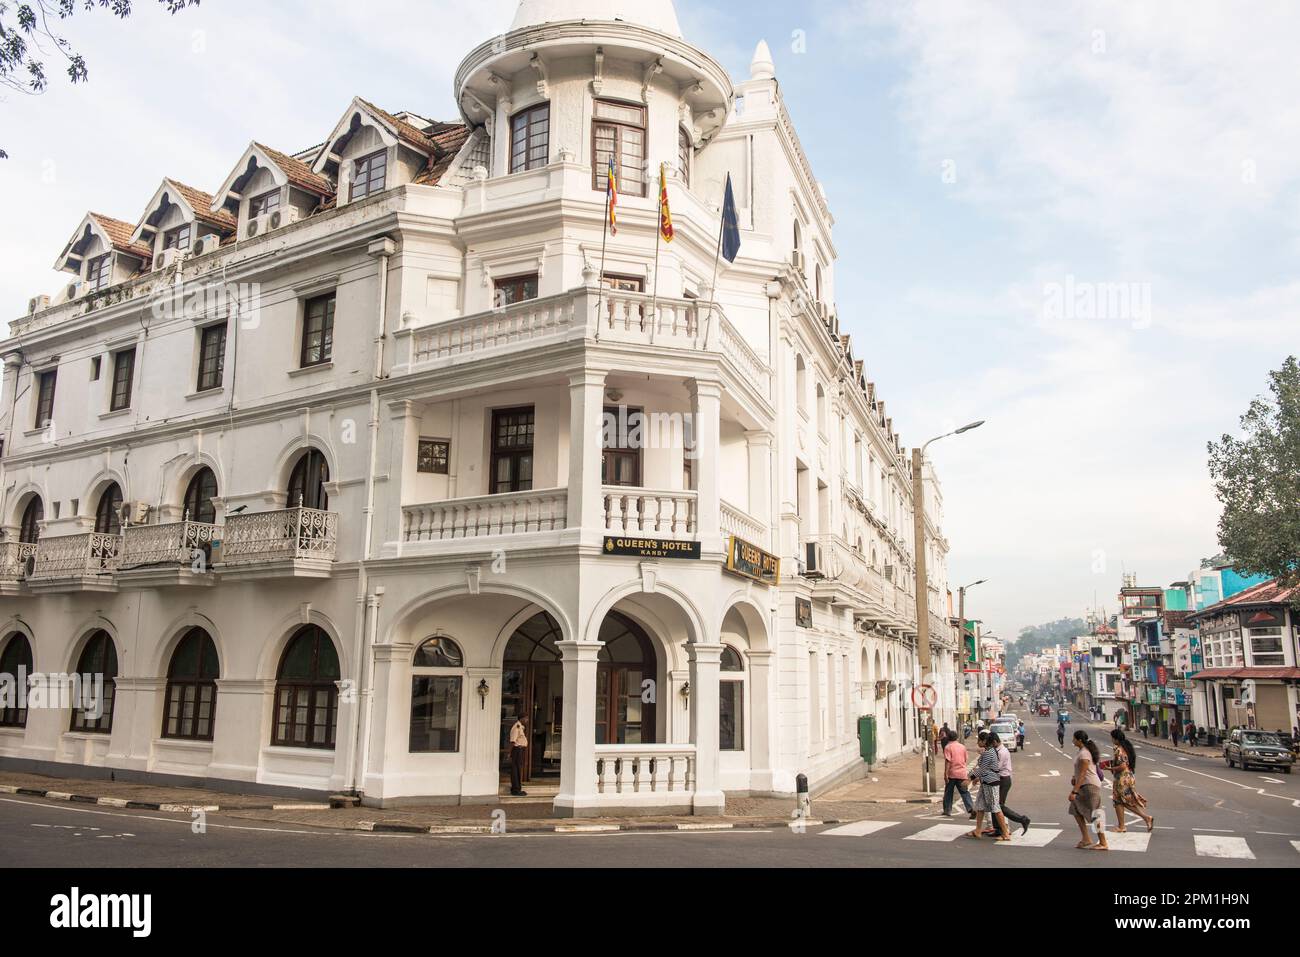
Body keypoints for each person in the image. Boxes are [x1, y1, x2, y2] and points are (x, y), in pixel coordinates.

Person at [967, 734, 1011, 842]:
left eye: (979, 741)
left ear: (985, 741)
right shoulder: (989, 751)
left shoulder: (989, 753)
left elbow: (982, 769)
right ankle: (978, 830)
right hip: (985, 782)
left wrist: (969, 778)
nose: (978, 743)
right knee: (980, 805)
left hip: (991, 782)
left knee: (995, 808)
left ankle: (1005, 833)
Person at [1069, 729, 1108, 850]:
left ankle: (1103, 842)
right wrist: (1074, 777)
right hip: (1084, 786)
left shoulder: (1085, 753)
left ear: (1079, 740)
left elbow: (1083, 774)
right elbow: (1079, 773)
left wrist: (1074, 791)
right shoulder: (1082, 751)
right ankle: (1086, 838)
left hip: (1089, 786)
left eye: (1074, 738)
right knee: (1075, 810)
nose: (1072, 740)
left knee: (1095, 814)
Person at [1108, 728, 1153, 833]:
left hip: (1122, 778)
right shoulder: (1126, 747)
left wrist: (1110, 768)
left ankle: (1146, 818)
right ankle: (1122, 826)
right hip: (1128, 776)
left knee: (1124, 801)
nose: (1111, 739)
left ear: (1116, 739)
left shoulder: (1118, 749)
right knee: (1118, 801)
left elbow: (1122, 766)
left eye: (1112, 738)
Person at [991, 732, 1031, 836]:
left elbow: (996, 767)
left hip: (1003, 780)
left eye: (991, 744)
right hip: (1001, 779)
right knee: (994, 804)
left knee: (998, 805)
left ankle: (1022, 819)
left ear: (995, 742)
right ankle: (998, 829)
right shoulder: (998, 751)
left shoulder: (1001, 752)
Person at [941, 730, 974, 818]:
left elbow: (948, 761)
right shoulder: (962, 747)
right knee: (964, 791)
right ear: (957, 737)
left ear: (948, 738)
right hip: (962, 772)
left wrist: (945, 774)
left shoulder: (948, 747)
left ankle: (947, 810)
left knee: (948, 792)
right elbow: (965, 759)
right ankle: (970, 807)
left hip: (952, 773)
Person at [508, 714, 528, 796]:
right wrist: (510, 752)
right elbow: (513, 741)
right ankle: (516, 790)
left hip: (519, 750)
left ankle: (517, 788)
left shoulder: (520, 726)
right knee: (516, 769)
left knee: (518, 769)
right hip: (516, 750)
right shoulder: (517, 727)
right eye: (526, 718)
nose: (527, 720)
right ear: (521, 718)